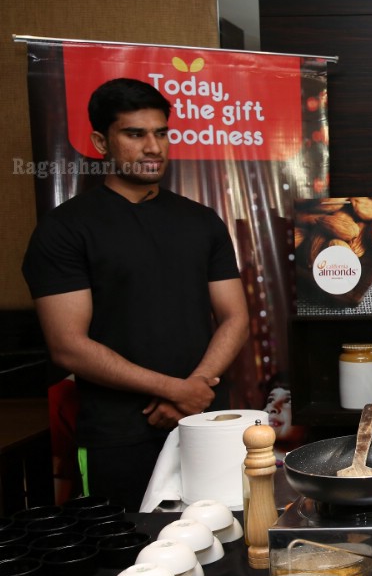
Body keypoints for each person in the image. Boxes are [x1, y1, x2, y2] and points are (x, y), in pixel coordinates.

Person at [22, 78, 249, 511]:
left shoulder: (201, 221)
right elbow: (68, 346)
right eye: (134, 134)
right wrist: (175, 390)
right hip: (117, 435)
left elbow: (235, 317)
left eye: (161, 133)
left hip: (207, 423)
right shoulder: (65, 229)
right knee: (128, 563)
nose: (153, 147)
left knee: (225, 548)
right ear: (99, 141)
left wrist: (194, 389)